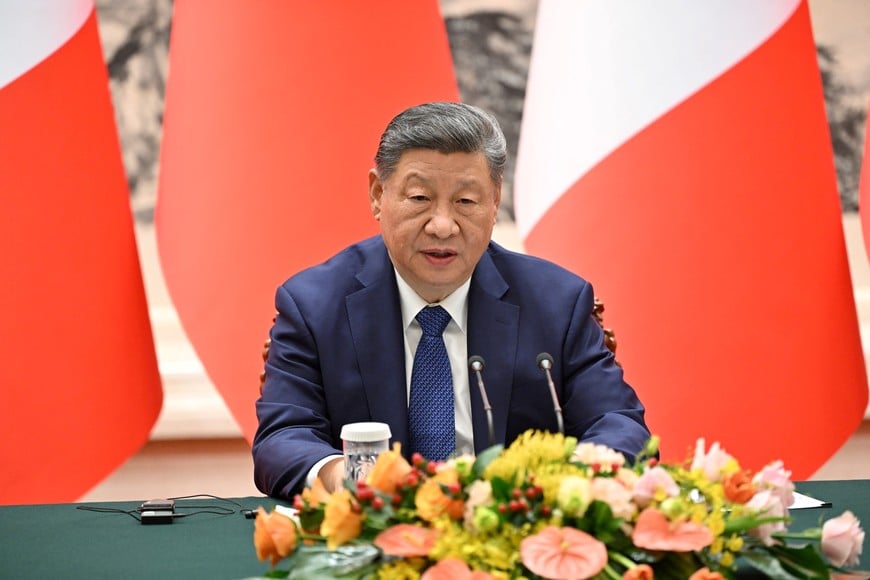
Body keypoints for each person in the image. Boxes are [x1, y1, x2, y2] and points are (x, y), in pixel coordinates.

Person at [253, 102, 651, 499]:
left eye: (465, 202)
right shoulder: (314, 306)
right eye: (420, 197)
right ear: (378, 194)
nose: (442, 226)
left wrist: (564, 485)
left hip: (510, 535)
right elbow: (282, 438)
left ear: (494, 202)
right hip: (373, 536)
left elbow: (619, 424)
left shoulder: (557, 304)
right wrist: (344, 477)